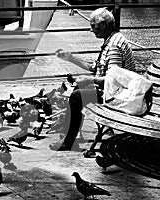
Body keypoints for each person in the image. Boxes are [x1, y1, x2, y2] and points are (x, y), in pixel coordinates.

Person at [49, 7, 135, 151]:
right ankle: (69, 138)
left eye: (93, 26)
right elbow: (94, 68)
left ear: (103, 25)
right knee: (79, 90)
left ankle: (67, 141)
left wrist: (90, 81)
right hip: (112, 91)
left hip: (118, 95)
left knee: (77, 96)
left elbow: (113, 80)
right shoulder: (111, 40)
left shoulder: (113, 46)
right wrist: (70, 58)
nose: (91, 30)